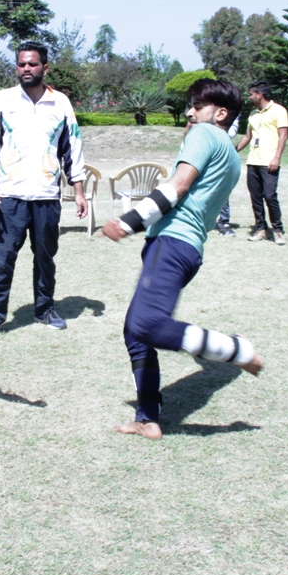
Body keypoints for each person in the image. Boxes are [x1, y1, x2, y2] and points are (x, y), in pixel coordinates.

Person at [102, 79, 262, 440]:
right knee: (135, 330)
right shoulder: (231, 155)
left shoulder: (205, 134)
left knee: (146, 326)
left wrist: (128, 223)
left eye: (198, 105)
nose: (190, 111)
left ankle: (235, 349)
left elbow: (179, 184)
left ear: (220, 113)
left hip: (173, 243)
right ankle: (147, 419)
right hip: (187, 248)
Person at [0, 41, 87, 342]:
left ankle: (45, 309)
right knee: (2, 259)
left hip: (47, 195)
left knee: (45, 257)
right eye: (22, 64)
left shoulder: (60, 103)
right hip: (9, 194)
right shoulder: (3, 100)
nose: (26, 69)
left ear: (45, 68)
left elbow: (72, 147)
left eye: (32, 64)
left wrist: (78, 191)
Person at [236, 81, 288, 244]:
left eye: (251, 94)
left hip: (269, 162)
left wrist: (277, 158)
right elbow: (247, 136)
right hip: (253, 161)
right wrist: (233, 150)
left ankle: (278, 230)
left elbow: (284, 136)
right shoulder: (253, 114)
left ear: (260, 94)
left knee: (270, 196)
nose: (249, 97)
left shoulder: (279, 110)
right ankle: (261, 229)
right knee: (256, 197)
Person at [214, 113, 240, 236]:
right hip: (203, 153)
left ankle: (223, 222)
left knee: (222, 190)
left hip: (221, 156)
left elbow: (231, 133)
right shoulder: (203, 109)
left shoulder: (231, 112)